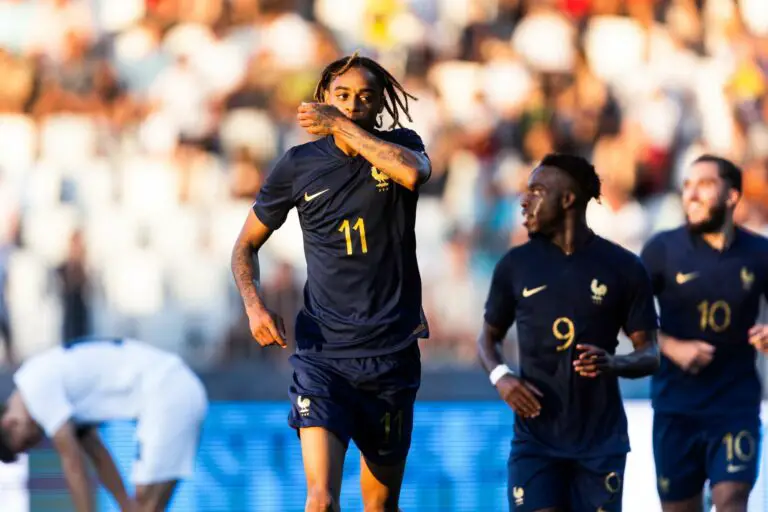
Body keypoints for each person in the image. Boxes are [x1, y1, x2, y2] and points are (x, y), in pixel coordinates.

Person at [230, 53, 431, 512]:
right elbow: (244, 247)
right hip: (324, 356)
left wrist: (340, 125)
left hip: (391, 354)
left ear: (379, 103)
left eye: (364, 97)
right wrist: (253, 305)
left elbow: (412, 173)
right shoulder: (298, 165)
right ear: (322, 97)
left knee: (380, 506)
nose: (353, 104)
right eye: (342, 96)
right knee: (320, 499)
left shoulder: (402, 145)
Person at [477, 153, 660, 512]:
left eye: (537, 191)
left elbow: (650, 354)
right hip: (535, 440)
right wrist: (501, 377)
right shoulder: (515, 265)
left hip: (600, 443)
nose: (524, 201)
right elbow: (487, 339)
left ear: (567, 199)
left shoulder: (624, 267)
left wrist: (613, 363)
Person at [640, 155, 768, 512]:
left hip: (735, 405)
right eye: (687, 185)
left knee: (731, 500)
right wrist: (671, 346)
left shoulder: (759, 253)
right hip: (675, 407)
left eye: (705, 184)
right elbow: (625, 317)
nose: (692, 194)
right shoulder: (661, 249)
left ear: (732, 196)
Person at [0, 336, 208, 512]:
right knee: (144, 505)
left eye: (27, 442)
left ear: (9, 423)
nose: (36, 442)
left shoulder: (35, 390)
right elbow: (98, 455)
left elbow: (73, 465)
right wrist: (124, 505)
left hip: (167, 391)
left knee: (145, 500)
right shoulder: (44, 384)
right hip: (175, 388)